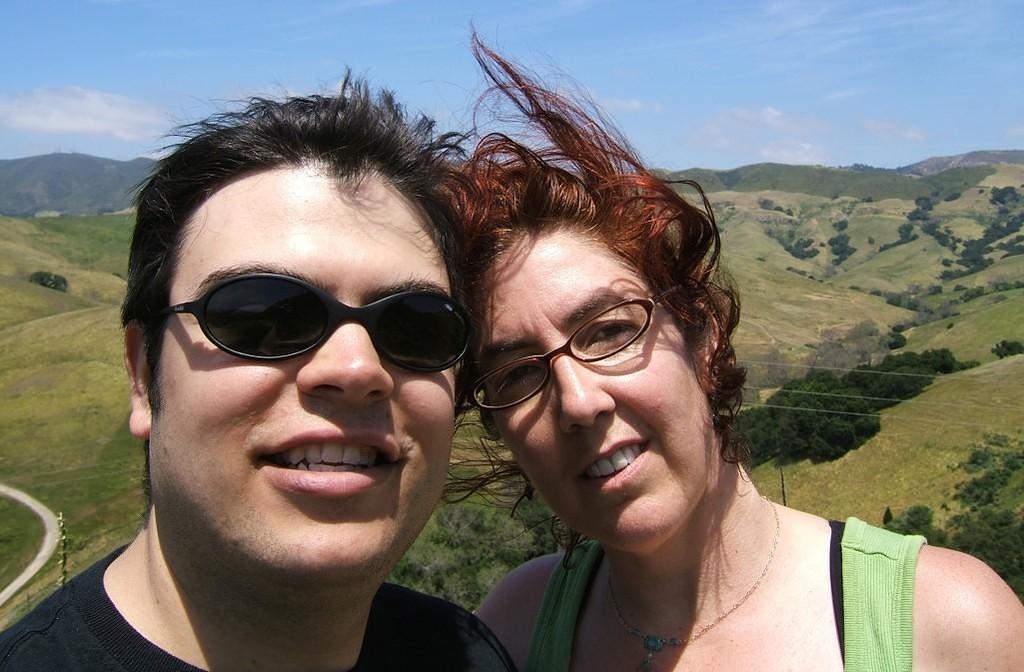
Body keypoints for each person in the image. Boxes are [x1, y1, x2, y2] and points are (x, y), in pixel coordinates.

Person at [449, 40, 1024, 672]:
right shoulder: (512, 629)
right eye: (519, 373)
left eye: (609, 333)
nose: (579, 402)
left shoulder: (949, 627)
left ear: (704, 334)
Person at [0, 80, 515, 671]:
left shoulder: (470, 654)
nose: (355, 368)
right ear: (144, 376)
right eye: (263, 316)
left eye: (416, 326)